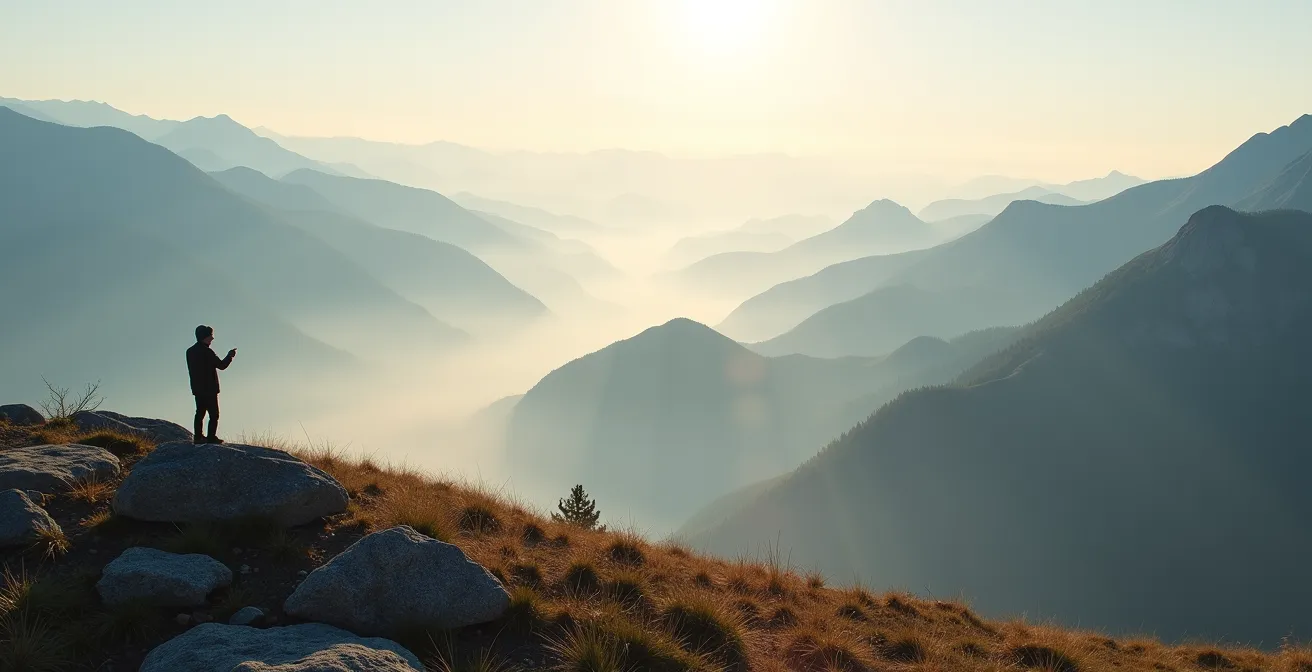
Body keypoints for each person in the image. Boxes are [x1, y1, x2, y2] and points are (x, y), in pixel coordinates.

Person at [186, 325, 236, 444]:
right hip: (209, 389)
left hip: (197, 388)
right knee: (214, 414)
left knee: (200, 413)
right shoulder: (207, 352)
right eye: (210, 336)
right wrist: (230, 356)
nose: (212, 338)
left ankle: (198, 437)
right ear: (205, 337)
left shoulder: (190, 351)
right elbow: (222, 365)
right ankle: (211, 437)